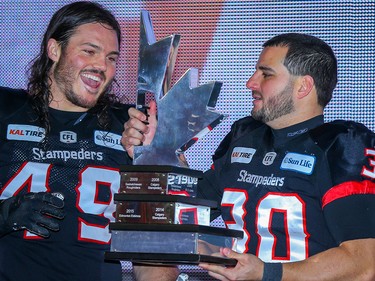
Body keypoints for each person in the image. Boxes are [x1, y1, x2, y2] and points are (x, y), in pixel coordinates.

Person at [122, 33, 375, 280]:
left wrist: (268, 273)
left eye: (266, 74)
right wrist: (157, 152)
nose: (251, 82)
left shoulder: (342, 145)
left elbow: (364, 264)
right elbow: (185, 214)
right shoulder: (244, 136)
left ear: (303, 86)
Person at [0, 2, 179, 281]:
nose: (101, 66)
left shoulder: (132, 125)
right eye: (89, 51)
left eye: (111, 58)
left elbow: (155, 247)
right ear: (54, 50)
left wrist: (155, 155)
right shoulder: (5, 109)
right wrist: (5, 215)